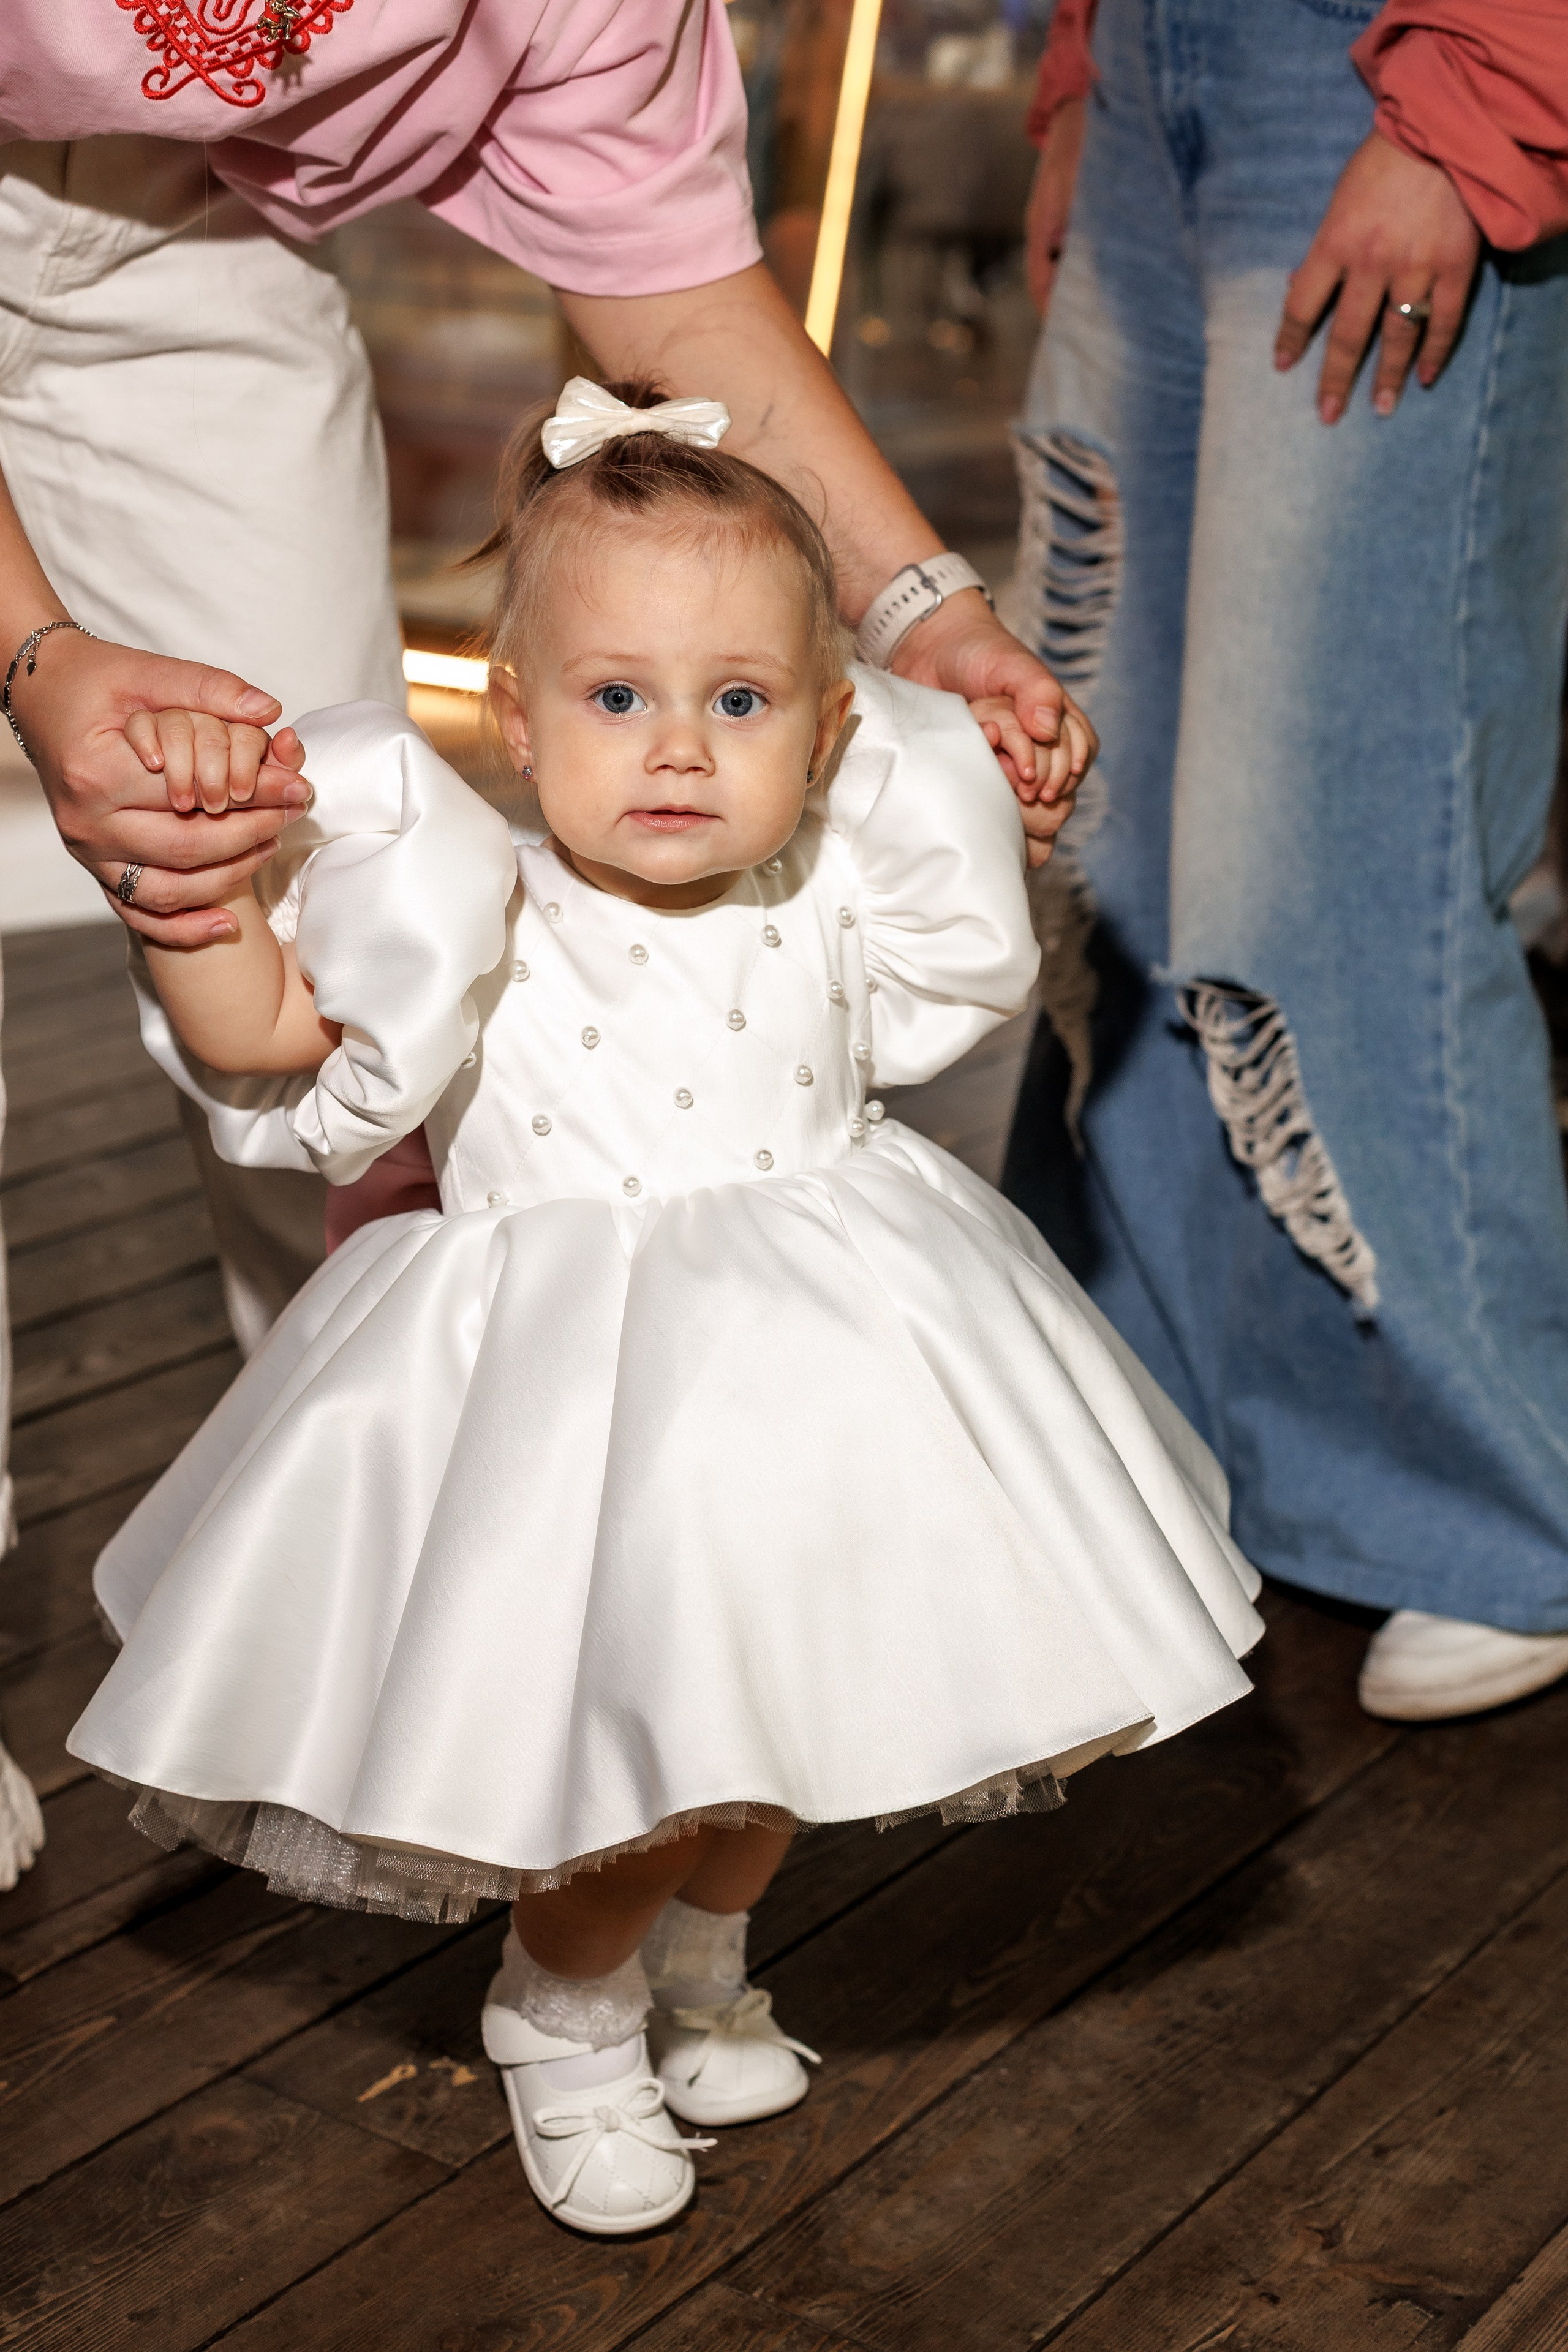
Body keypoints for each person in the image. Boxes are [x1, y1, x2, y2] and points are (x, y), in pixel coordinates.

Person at [67, 380, 1260, 2234]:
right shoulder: (466, 912)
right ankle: (564, 2008)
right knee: (614, 1774)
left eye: (741, 699)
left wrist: (998, 808)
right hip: (564, 1416)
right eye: (619, 697)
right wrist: (194, 911)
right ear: (518, 723)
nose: (681, 748)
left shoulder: (837, 889)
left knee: (783, 1728)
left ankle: (705, 1963)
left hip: (840, 1370)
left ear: (828, 726)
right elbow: (274, 1056)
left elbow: (950, 946)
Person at [1006, 0, 1568, 1722]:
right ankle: (1186, 1434)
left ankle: (1497, 1511)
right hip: (1164, 69)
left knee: (1340, 825)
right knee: (1110, 816)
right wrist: (1084, 73)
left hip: (1400, 62)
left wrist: (1490, 91)